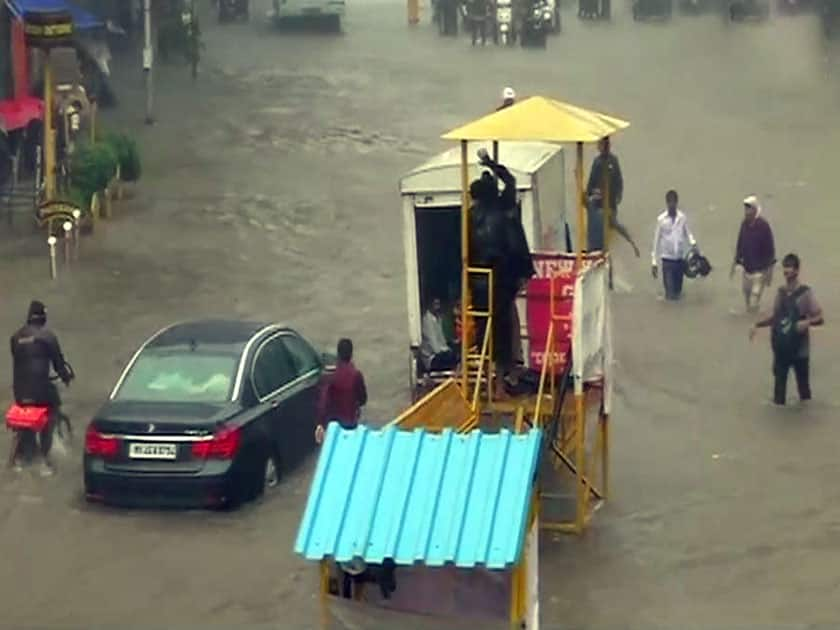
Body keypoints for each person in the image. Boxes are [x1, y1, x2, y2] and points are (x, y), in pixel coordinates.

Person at [469, 149, 534, 391]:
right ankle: (500, 380)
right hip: (501, 283)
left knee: (486, 332)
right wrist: (491, 163)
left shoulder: (470, 218)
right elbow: (511, 181)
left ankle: (490, 381)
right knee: (503, 332)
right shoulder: (502, 207)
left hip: (479, 285)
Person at [749, 254, 823, 406]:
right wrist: (757, 325)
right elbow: (775, 317)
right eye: (784, 272)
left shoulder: (806, 293)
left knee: (804, 393)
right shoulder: (781, 293)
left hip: (800, 350)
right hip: (781, 348)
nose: (786, 275)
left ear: (796, 271)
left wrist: (807, 323)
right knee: (778, 397)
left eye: (789, 272)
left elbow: (820, 317)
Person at [10, 300, 73, 475]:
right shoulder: (48, 337)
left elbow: (22, 365)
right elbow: (59, 364)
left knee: (25, 420)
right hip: (41, 390)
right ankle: (45, 459)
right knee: (51, 413)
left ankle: (20, 456)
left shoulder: (15, 337)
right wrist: (66, 377)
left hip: (19, 392)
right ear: (43, 317)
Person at [585, 136, 640, 258]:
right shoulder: (597, 163)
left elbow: (619, 180)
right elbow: (590, 184)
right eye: (602, 145)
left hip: (610, 203)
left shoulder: (613, 161)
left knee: (611, 224)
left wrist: (618, 196)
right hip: (599, 204)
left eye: (606, 144)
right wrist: (592, 194)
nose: (604, 147)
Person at [315, 338, 367, 443]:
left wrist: (321, 423)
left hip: (334, 426)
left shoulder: (330, 376)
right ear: (351, 354)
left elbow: (324, 402)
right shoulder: (356, 375)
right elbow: (363, 399)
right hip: (351, 423)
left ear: (338, 354)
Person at [730, 195, 775, 313]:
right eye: (745, 209)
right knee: (747, 299)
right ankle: (750, 317)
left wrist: (770, 272)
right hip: (747, 270)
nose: (746, 212)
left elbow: (770, 249)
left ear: (755, 210)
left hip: (760, 272)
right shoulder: (744, 224)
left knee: (754, 300)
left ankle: (754, 322)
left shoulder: (763, 226)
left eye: (749, 209)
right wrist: (734, 264)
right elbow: (740, 244)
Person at [651, 190, 696, 301]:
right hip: (667, 260)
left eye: (674, 202)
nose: (672, 205)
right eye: (670, 202)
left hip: (679, 260)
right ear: (667, 203)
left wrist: (693, 244)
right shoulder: (661, 220)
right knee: (670, 294)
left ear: (676, 202)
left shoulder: (682, 218)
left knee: (678, 293)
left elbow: (688, 233)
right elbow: (656, 241)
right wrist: (654, 262)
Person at [421, 297, 459, 371]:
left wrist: (448, 349)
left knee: (456, 354)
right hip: (431, 358)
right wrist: (446, 351)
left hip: (440, 353)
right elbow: (434, 345)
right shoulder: (427, 320)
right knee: (450, 357)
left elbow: (442, 341)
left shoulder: (438, 318)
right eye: (435, 304)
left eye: (438, 304)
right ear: (430, 304)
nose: (437, 307)